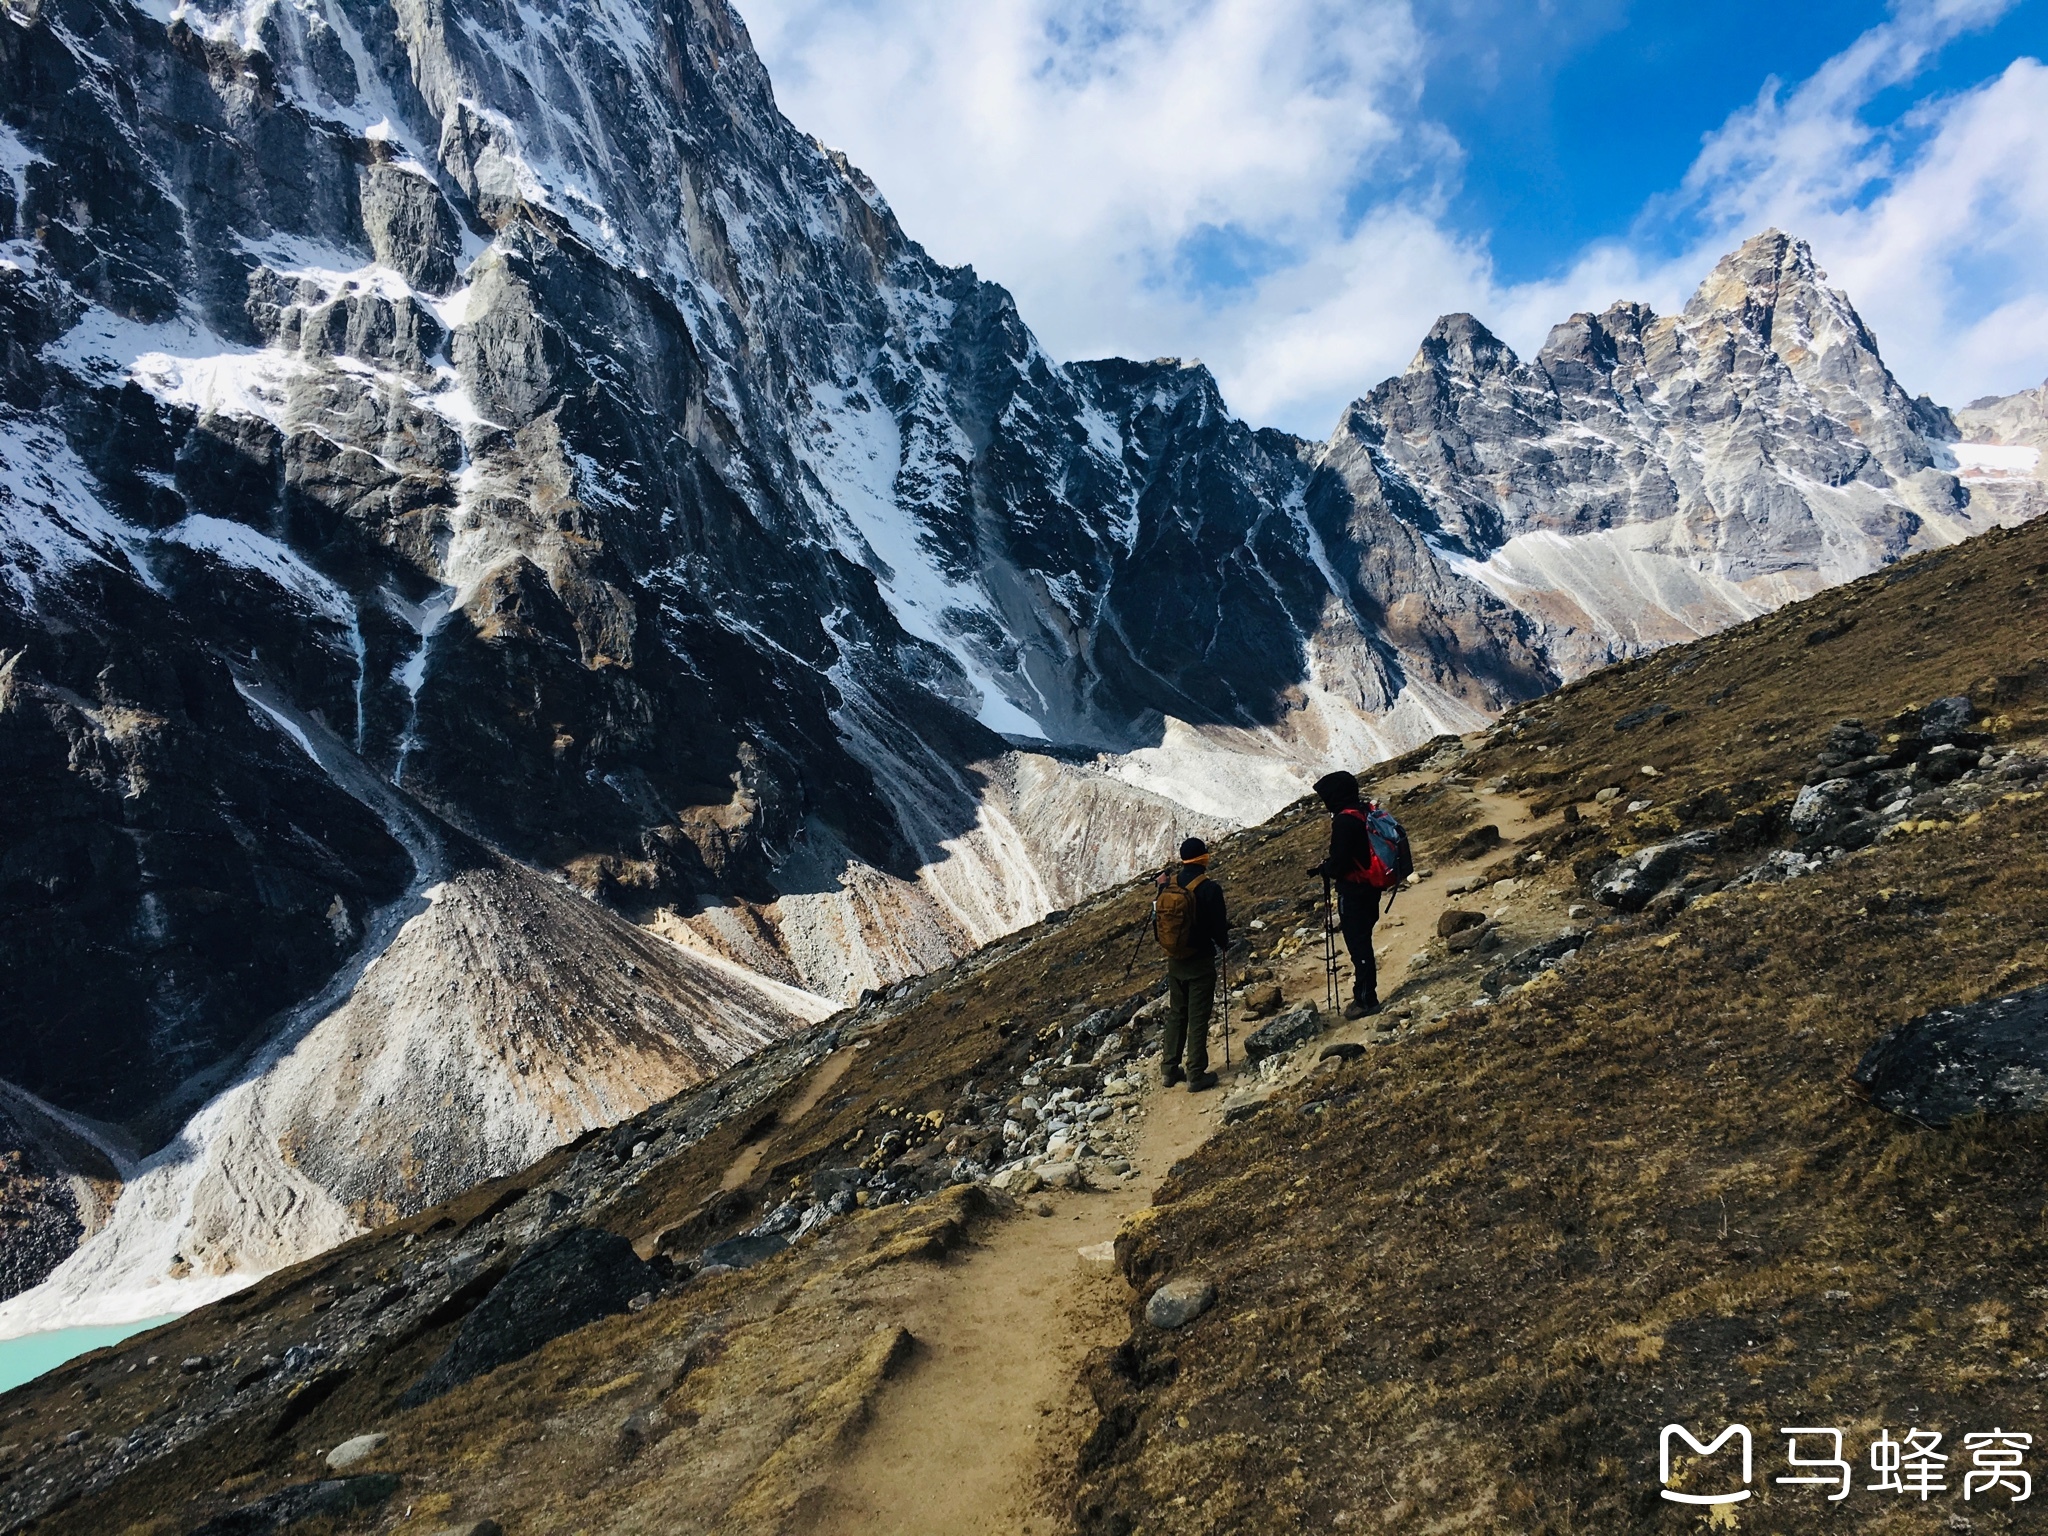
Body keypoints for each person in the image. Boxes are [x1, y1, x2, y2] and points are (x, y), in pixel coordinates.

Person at [1156, 836, 1228, 1091]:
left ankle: (1169, 1069)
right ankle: (1196, 1074)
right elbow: (1218, 927)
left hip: (1175, 961)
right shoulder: (1209, 888)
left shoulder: (1169, 886)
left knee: (1177, 1013)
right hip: (1200, 962)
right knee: (1198, 1017)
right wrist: (1225, 943)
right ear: (1203, 858)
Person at [1309, 770, 1382, 1019]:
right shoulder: (1362, 812)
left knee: (1358, 946)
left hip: (1354, 891)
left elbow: (1340, 863)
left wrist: (1326, 869)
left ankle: (1365, 999)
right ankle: (1365, 995)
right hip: (1370, 887)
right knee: (1364, 941)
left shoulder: (1344, 821)